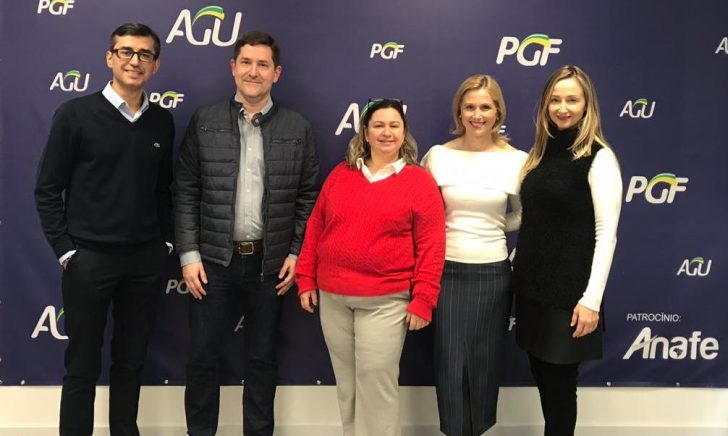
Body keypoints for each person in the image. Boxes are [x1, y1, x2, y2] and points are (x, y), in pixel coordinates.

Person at [174, 31, 319, 436]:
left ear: (276, 73)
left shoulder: (297, 127)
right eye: (246, 62)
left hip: (270, 265)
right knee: (202, 358)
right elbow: (185, 189)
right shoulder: (205, 121)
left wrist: (297, 252)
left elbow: (309, 196)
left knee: (262, 360)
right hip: (212, 263)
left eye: (263, 65)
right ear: (233, 67)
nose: (254, 72)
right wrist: (189, 253)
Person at [34, 23, 174, 436]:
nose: (135, 61)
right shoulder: (75, 115)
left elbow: (164, 189)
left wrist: (165, 243)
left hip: (145, 260)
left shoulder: (161, 121)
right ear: (110, 58)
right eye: (126, 52)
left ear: (155, 65)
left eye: (145, 54)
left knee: (131, 361)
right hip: (89, 260)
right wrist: (66, 251)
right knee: (82, 365)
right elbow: (47, 188)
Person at [295, 99, 445, 436]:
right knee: (347, 385)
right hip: (333, 297)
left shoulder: (419, 182)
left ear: (404, 132)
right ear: (365, 132)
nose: (386, 132)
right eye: (378, 125)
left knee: (376, 384)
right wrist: (305, 277)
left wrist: (424, 298)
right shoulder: (341, 174)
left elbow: (432, 244)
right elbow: (316, 226)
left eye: (394, 125)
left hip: (386, 300)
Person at [511, 65, 622, 436]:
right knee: (543, 377)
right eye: (555, 100)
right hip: (532, 290)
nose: (562, 108)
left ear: (587, 105)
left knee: (559, 388)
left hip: (569, 296)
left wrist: (591, 300)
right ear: (545, 105)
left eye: (571, 100)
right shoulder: (539, 155)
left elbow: (606, 234)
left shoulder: (599, 158)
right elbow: (531, 219)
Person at [421, 74, 526, 436]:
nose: (477, 115)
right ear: (459, 112)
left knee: (484, 362)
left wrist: (493, 226)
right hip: (446, 272)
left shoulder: (517, 161)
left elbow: (523, 215)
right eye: (469, 107)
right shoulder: (438, 156)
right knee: (449, 362)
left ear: (498, 112)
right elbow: (424, 214)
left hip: (493, 274)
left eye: (485, 107)